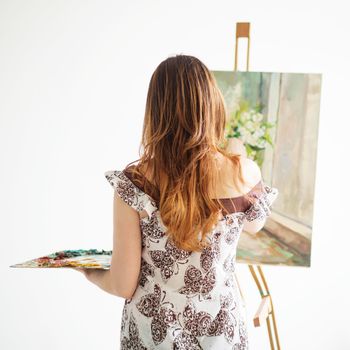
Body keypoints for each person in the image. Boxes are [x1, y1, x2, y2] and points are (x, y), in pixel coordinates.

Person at [74, 54, 279, 349]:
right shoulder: (242, 172)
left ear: (156, 110)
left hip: (152, 335)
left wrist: (89, 271)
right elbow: (256, 225)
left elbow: (122, 284)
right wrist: (237, 152)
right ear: (212, 105)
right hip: (222, 335)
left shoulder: (135, 181)